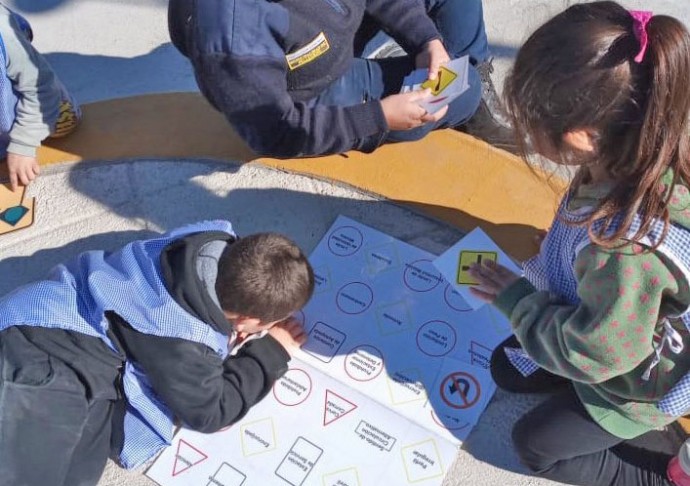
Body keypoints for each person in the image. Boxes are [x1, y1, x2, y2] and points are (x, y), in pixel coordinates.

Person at [466, 3, 690, 485]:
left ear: (583, 138)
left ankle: (665, 475)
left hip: (637, 381)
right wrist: (564, 258)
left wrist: (517, 300)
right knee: (507, 369)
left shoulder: (623, 253)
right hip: (623, 324)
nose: (525, 135)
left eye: (530, 126)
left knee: (534, 445)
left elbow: (597, 354)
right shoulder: (639, 146)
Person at [0, 220, 314, 486]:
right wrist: (271, 350)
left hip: (87, 349)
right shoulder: (181, 341)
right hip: (38, 356)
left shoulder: (203, 242)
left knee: (79, 471)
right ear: (247, 321)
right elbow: (211, 411)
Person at [168, 0, 515, 159]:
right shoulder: (231, 39)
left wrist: (427, 40)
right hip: (313, 93)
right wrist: (378, 117)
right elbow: (275, 133)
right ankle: (468, 100)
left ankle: (448, 69)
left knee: (458, 69)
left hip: (329, 32)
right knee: (463, 89)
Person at [0, 4, 81, 192]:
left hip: (33, 95)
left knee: (64, 121)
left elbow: (41, 88)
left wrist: (22, 146)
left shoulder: (4, 34)